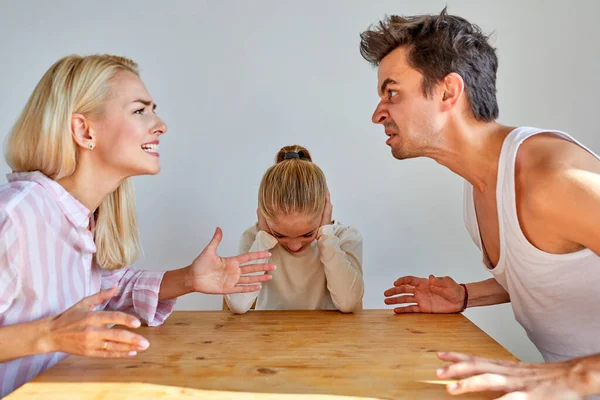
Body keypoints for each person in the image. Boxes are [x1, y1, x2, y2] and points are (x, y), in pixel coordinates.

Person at [0, 54, 275, 397]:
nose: (160, 124)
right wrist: (49, 335)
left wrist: (189, 279)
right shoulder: (15, 215)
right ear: (84, 130)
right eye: (140, 110)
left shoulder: (86, 216)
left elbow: (110, 288)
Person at [359, 8, 600, 398]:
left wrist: (578, 376)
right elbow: (554, 269)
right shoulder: (480, 186)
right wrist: (468, 296)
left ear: (448, 92)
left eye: (391, 92)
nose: (377, 113)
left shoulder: (552, 178)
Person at [224, 145, 363, 314]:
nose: (294, 246)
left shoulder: (345, 237)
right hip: (268, 337)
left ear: (325, 210)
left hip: (329, 338)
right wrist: (263, 239)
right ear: (262, 214)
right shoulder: (254, 238)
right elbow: (238, 305)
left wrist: (326, 235)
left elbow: (348, 303)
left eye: (307, 234)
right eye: (280, 235)